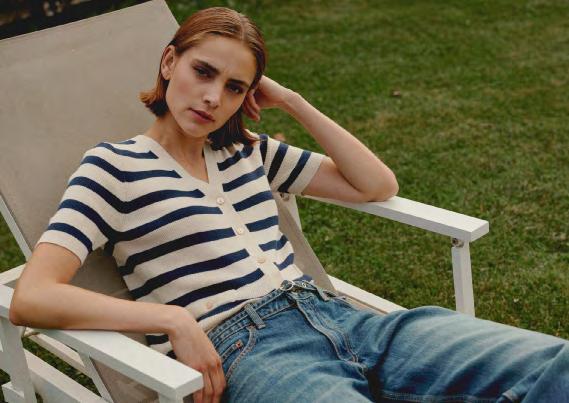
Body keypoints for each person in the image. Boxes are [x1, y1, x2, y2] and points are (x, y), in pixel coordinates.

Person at [9, 6, 568, 403]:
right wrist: (171, 319)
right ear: (169, 61)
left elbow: (375, 184)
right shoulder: (112, 167)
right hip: (248, 352)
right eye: (203, 71)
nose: (213, 97)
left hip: (347, 321)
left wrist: (294, 101)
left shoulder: (247, 151)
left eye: (235, 87)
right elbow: (33, 296)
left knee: (555, 365)